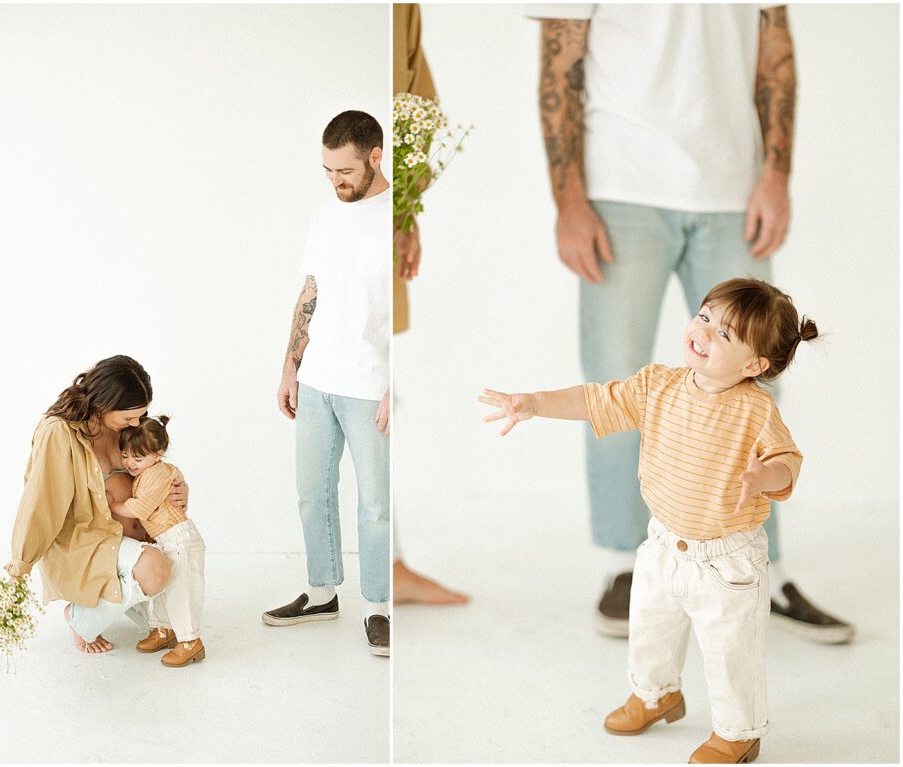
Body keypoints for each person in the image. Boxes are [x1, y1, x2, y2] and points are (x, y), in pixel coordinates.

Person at [527, 3, 852, 642]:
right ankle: (627, 565)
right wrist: (569, 201)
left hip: (734, 188)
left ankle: (767, 571)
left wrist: (777, 175)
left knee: (756, 388)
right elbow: (558, 65)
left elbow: (775, 53)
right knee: (617, 387)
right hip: (620, 188)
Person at [481, 278, 818, 763]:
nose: (703, 332)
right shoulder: (658, 385)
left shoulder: (755, 409)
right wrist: (536, 403)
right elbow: (596, 399)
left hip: (727, 562)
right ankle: (656, 694)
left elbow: (789, 460)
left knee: (730, 653)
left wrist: (766, 475)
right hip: (662, 544)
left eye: (724, 334)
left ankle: (739, 731)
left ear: (754, 364)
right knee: (649, 630)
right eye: (704, 317)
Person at [263, 110, 392, 656]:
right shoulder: (325, 214)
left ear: (375, 158)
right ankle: (321, 592)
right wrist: (291, 363)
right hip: (317, 378)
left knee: (376, 503)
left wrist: (397, 386)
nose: (336, 181)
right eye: (327, 171)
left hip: (371, 384)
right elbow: (311, 289)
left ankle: (381, 608)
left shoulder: (401, 218)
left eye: (344, 171)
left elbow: (414, 310)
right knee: (312, 494)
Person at [5, 355, 188, 654]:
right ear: (103, 402)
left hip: (135, 535)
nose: (136, 424)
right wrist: (19, 565)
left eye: (140, 416)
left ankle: (120, 598)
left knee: (180, 579)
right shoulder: (60, 432)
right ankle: (79, 619)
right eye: (129, 417)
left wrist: (181, 489)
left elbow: (155, 466)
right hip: (87, 539)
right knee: (156, 571)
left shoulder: (126, 428)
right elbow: (40, 503)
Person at [391, 2, 468, 606]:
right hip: (332, 207)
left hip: (379, 207)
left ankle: (388, 564)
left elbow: (418, 109)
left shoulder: (402, 9)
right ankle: (377, 567)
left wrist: (406, 210)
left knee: (380, 393)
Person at [109, 415, 206, 668]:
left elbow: (141, 507)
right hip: (165, 539)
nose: (130, 463)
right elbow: (176, 472)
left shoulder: (157, 473)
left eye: (137, 458)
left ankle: (190, 640)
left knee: (182, 591)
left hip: (180, 537)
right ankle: (163, 630)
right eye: (126, 456)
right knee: (164, 586)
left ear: (158, 454)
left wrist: (115, 505)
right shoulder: (151, 470)